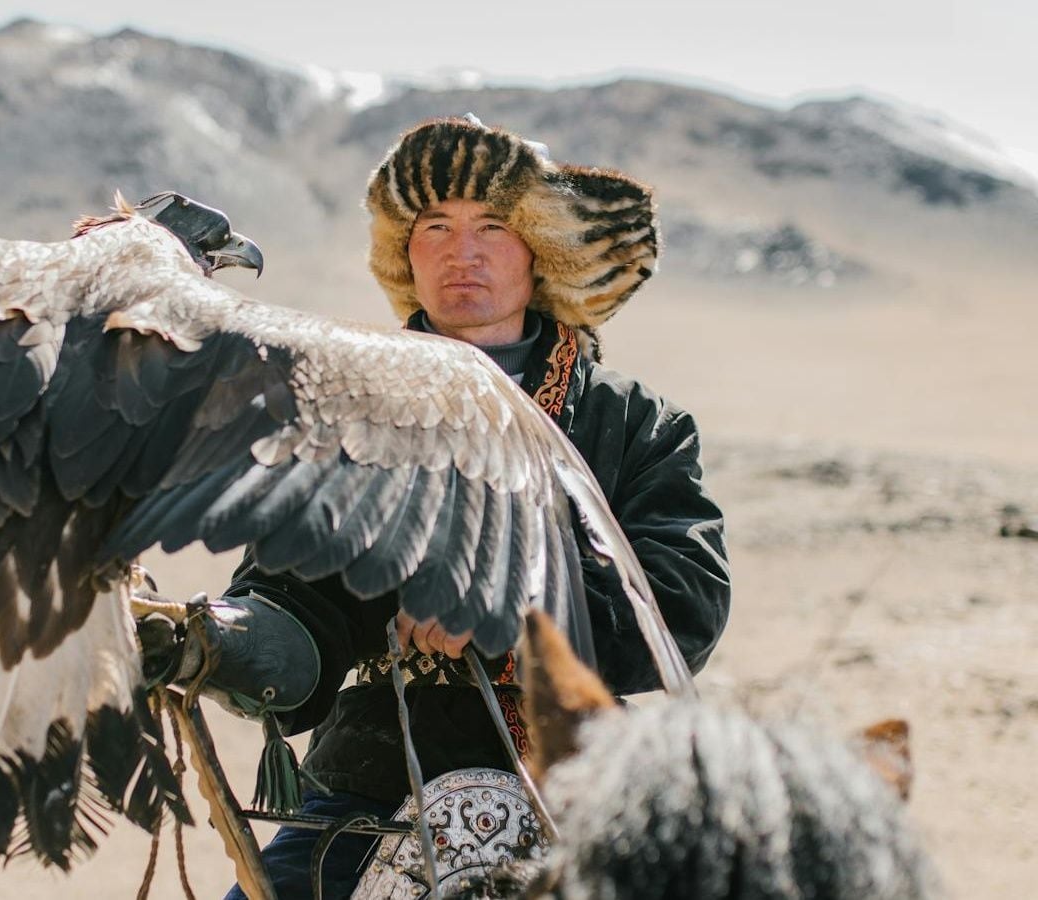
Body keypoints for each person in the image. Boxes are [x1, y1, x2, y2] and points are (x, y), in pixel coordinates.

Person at [194, 116, 731, 900]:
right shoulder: (342, 417)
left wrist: (509, 607)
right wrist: (214, 644)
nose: (461, 251)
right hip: (371, 778)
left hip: (584, 776)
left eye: (491, 226)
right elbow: (289, 602)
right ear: (406, 254)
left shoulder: (637, 425)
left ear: (536, 250)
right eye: (434, 226)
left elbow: (686, 605)